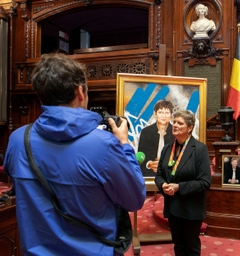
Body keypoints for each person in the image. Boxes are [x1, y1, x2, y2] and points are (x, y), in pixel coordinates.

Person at [4, 53, 146, 256]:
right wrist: (124, 144)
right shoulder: (104, 145)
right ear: (80, 91)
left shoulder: (18, 140)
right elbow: (134, 200)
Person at [155, 110, 212, 256]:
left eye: (180, 123)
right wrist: (163, 185)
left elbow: (204, 182)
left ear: (190, 128)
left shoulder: (199, 149)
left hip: (191, 208)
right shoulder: (167, 148)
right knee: (178, 246)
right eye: (174, 122)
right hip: (173, 206)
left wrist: (179, 187)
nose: (174, 125)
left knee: (191, 248)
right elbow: (159, 175)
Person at [137, 100, 175, 176]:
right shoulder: (146, 132)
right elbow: (141, 156)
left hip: (171, 174)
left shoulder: (176, 132)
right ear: (155, 114)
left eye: (167, 113)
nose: (163, 116)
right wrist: (149, 164)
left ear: (171, 115)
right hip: (150, 174)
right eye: (160, 112)